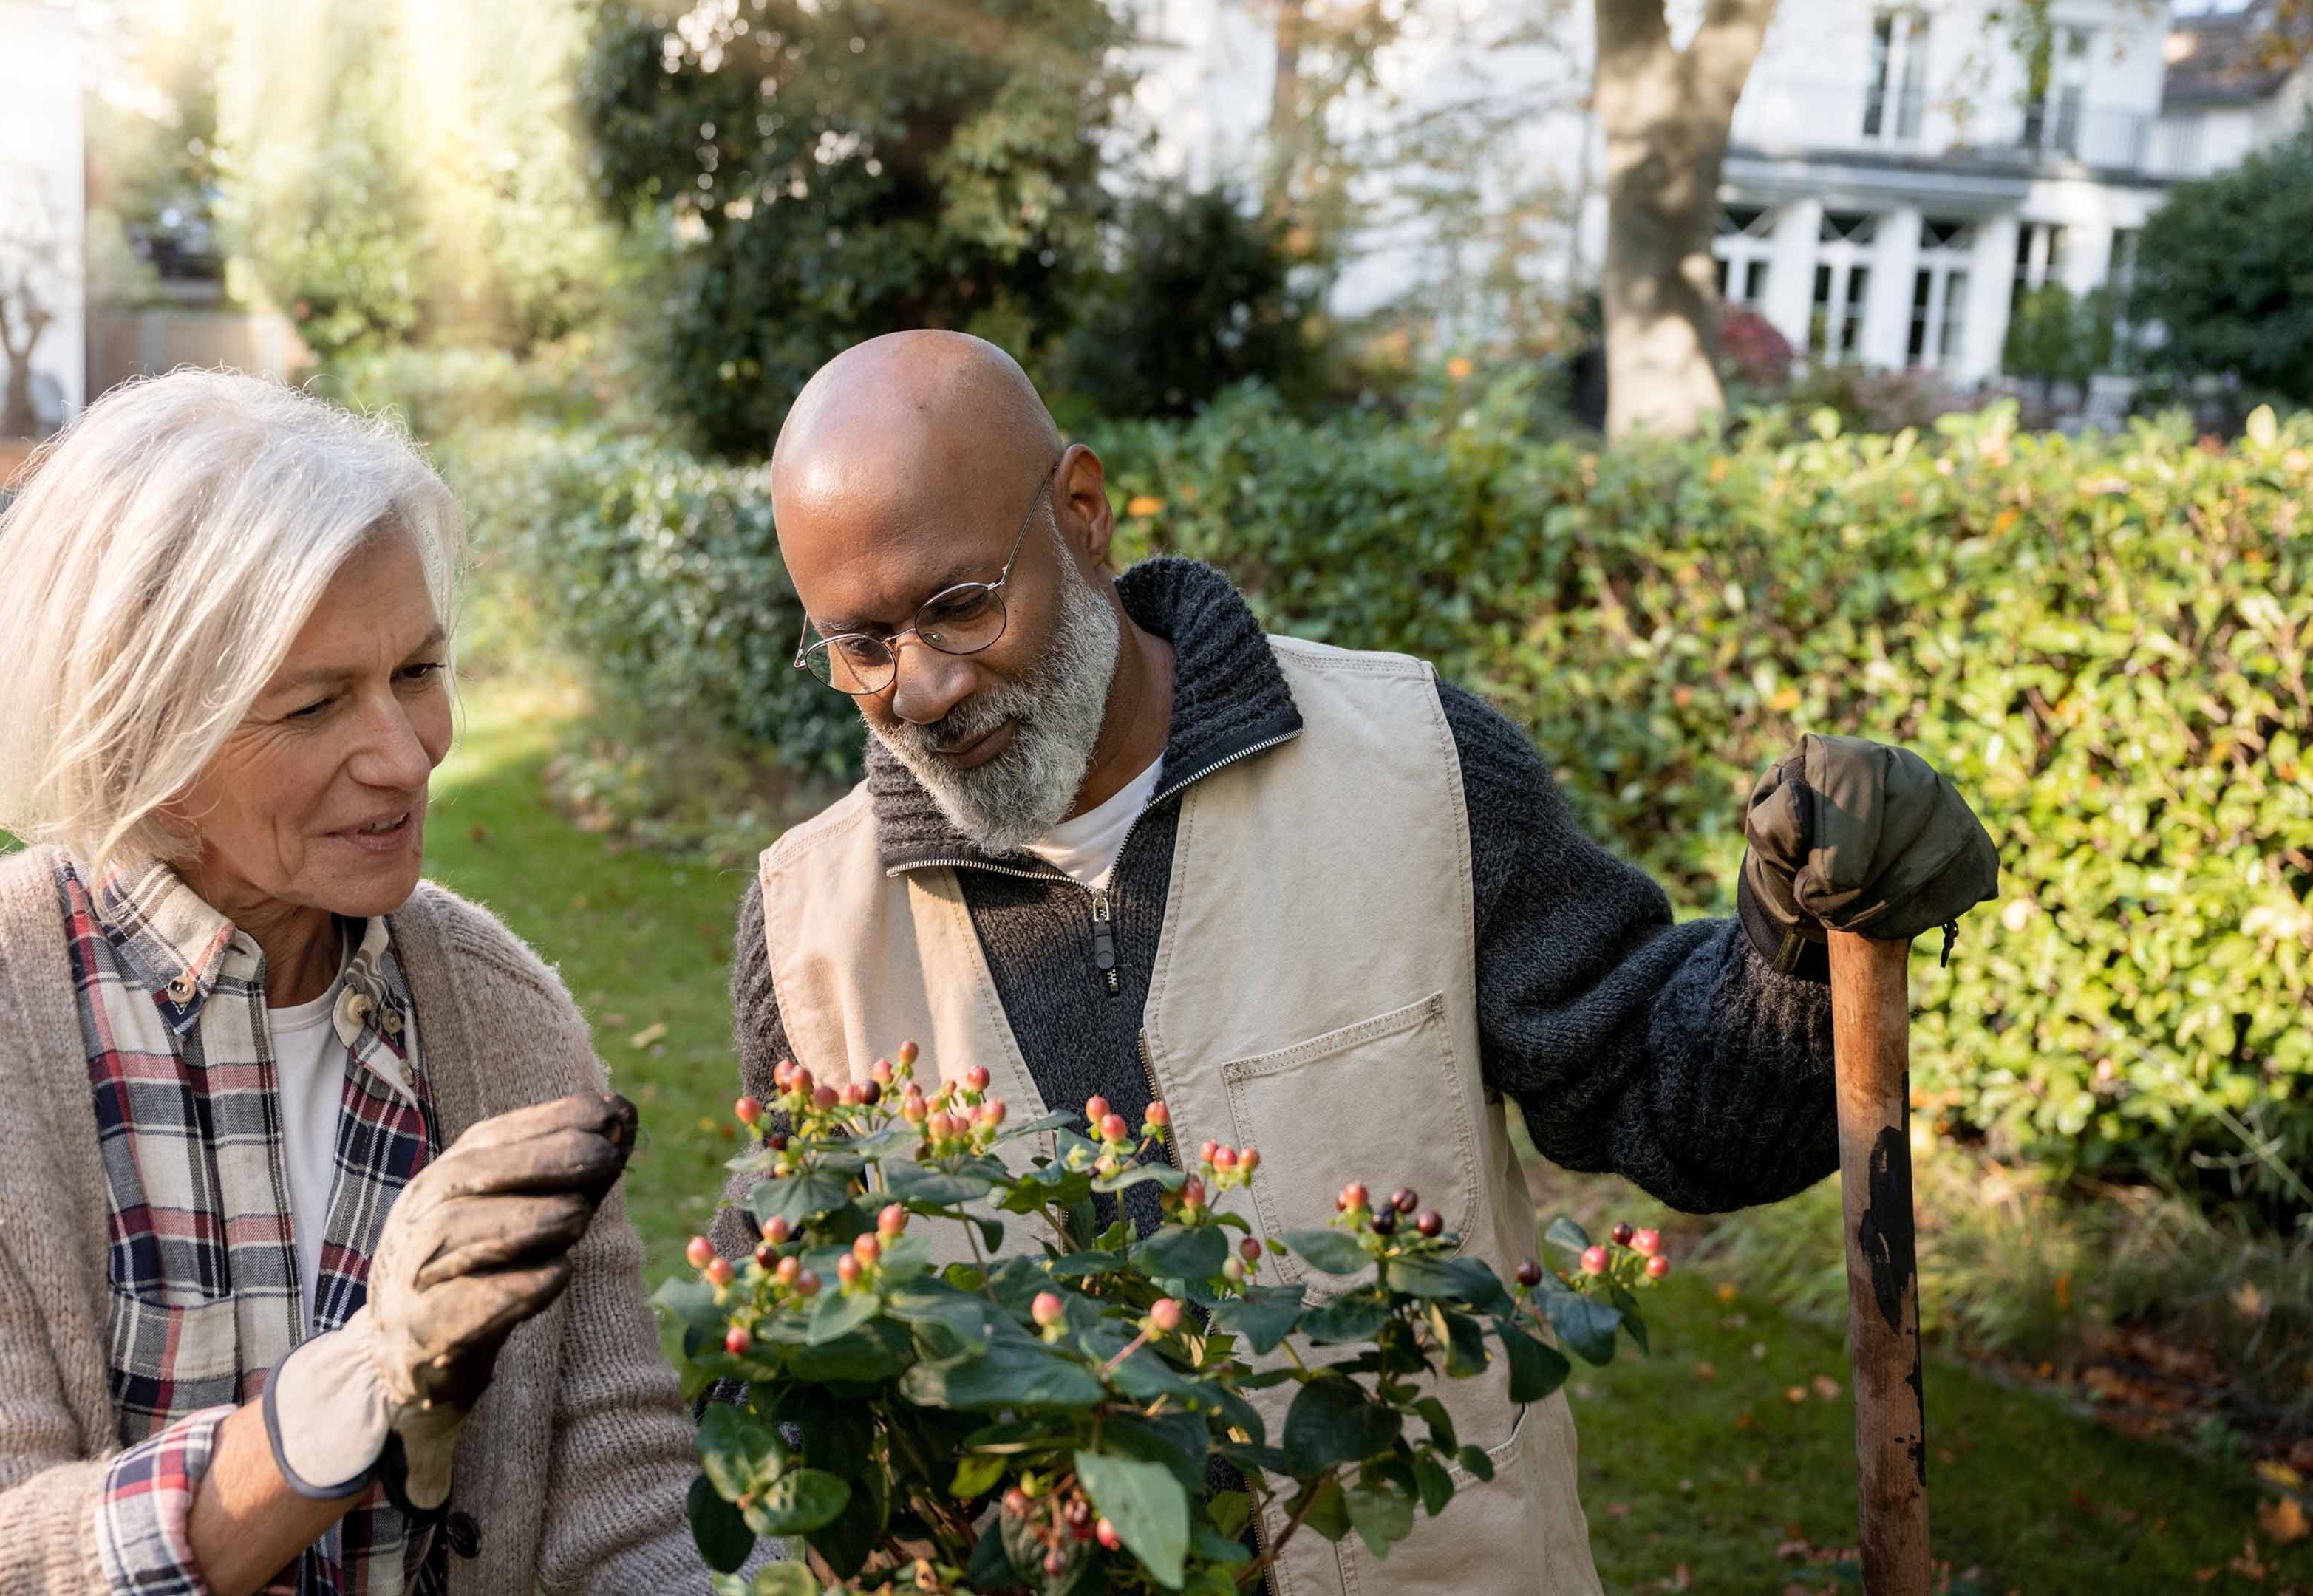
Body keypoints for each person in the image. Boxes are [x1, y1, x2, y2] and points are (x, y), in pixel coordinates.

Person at [715, 331, 1997, 1594]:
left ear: (1083, 513)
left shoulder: (1419, 774)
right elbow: (782, 1344)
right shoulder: (810, 933)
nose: (924, 687)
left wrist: (1794, 953)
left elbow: (1668, 1103)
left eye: (959, 606)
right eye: (861, 647)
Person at [0, 370, 740, 1596]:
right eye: (316, 703)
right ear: (139, 741)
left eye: (419, 671)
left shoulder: (499, 1014)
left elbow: (619, 1482)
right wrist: (338, 1402)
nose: (406, 754)